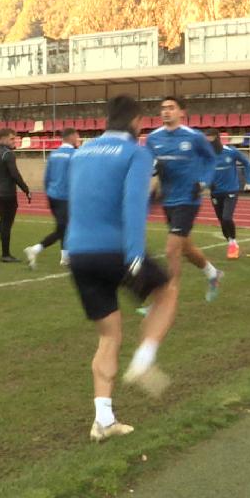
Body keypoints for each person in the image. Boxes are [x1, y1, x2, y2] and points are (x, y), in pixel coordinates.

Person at [67, 94, 178, 443]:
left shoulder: (81, 151)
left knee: (109, 335)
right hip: (115, 250)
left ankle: (103, 419)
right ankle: (145, 359)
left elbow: (73, 196)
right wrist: (133, 256)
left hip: (80, 254)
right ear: (137, 122)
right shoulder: (137, 153)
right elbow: (132, 204)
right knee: (167, 292)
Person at [146, 96, 221, 302]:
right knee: (187, 249)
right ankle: (213, 274)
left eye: (171, 107)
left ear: (182, 112)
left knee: (171, 250)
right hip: (167, 199)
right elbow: (147, 164)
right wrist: (153, 175)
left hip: (188, 199)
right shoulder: (153, 138)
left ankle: (166, 300)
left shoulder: (194, 137)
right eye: (163, 108)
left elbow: (211, 160)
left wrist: (203, 182)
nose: (166, 111)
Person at [24, 127, 79, 269]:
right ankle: (35, 249)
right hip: (65, 197)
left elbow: (47, 178)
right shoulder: (75, 154)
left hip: (53, 196)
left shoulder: (53, 154)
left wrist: (48, 196)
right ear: (71, 137)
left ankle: (65, 258)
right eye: (77, 136)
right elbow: (77, 177)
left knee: (63, 226)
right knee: (62, 229)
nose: (78, 139)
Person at [0, 128, 31, 263]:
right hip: (7, 192)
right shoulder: (8, 154)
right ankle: (5, 254)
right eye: (11, 139)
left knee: (3, 220)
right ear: (2, 139)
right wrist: (26, 189)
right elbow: (15, 175)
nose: (14, 141)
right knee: (7, 223)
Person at [203, 129, 250, 260]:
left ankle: (233, 243)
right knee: (221, 220)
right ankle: (230, 240)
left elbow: (246, 163)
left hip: (231, 190)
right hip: (215, 192)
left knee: (226, 217)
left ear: (217, 138)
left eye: (210, 139)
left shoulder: (231, 151)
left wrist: (249, 182)